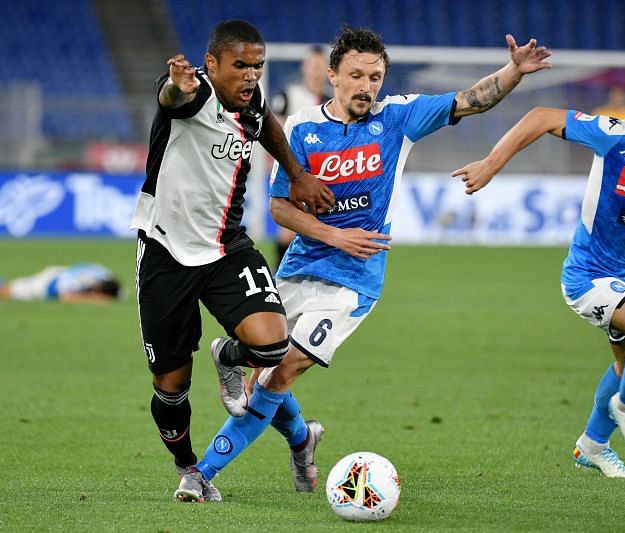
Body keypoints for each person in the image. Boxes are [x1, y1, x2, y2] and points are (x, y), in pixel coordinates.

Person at [178, 24, 552, 501]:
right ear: (333, 75)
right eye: (356, 75)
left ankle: (202, 474)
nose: (366, 86)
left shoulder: (398, 118)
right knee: (261, 380)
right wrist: (335, 234)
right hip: (300, 267)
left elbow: (470, 99)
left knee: (283, 371)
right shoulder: (303, 127)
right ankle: (302, 438)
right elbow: (279, 208)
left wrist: (514, 71)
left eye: (375, 77)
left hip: (354, 282)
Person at [452, 58, 625, 477]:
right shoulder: (617, 137)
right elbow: (541, 117)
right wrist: (492, 164)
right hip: (589, 275)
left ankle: (593, 446)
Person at [130, 19, 335, 503]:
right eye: (240, 65)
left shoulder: (253, 102)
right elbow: (171, 98)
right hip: (166, 253)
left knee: (272, 345)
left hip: (226, 248)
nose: (250, 75)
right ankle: (188, 469)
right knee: (170, 385)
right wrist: (177, 88)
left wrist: (297, 175)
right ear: (211, 65)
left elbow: (270, 129)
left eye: (257, 66)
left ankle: (227, 354)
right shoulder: (191, 94)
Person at [270, 45, 333, 265]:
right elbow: (275, 133)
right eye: (312, 64)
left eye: (320, 65)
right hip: (293, 172)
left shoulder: (331, 102)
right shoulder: (289, 96)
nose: (316, 70)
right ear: (304, 67)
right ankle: (279, 278)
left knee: (315, 230)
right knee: (288, 230)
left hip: (323, 173)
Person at [0, 263, 122, 303]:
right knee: (7, 291)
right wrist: (96, 300)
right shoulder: (79, 282)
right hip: (47, 283)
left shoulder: (106, 275)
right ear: (98, 289)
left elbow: (121, 293)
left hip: (60, 271)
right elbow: (67, 297)